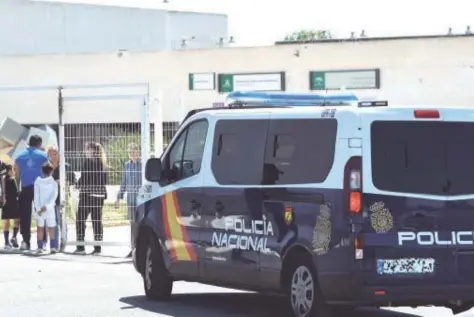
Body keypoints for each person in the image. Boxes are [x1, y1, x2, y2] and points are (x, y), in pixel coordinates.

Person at [15, 135, 48, 251]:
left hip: (26, 187)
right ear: (39, 144)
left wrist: (18, 188)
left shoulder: (19, 156)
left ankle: (25, 242)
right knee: (41, 214)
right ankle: (42, 241)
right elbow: (47, 172)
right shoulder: (43, 155)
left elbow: (17, 174)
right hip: (40, 187)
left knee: (25, 215)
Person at [74, 142, 108, 255]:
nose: (85, 151)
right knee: (97, 221)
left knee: (80, 220)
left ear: (92, 150)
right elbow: (104, 180)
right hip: (99, 196)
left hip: (87, 195)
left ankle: (80, 246)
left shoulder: (88, 162)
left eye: (87, 148)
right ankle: (98, 247)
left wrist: (77, 185)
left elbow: (85, 178)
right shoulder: (102, 163)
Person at [41, 146, 75, 252]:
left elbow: (72, 180)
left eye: (55, 153)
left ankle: (63, 243)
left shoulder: (65, 166)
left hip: (62, 198)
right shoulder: (45, 167)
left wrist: (64, 182)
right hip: (50, 199)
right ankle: (54, 245)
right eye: (51, 153)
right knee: (52, 223)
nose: (53, 155)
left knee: (62, 222)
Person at [114, 143, 142, 258]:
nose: (133, 154)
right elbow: (124, 182)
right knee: (133, 225)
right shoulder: (127, 165)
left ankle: (141, 249)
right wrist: (118, 198)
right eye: (131, 153)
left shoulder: (143, 165)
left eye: (135, 152)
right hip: (131, 201)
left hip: (141, 201)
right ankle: (133, 249)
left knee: (142, 225)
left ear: (138, 152)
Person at [33, 162, 58, 254]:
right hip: (49, 209)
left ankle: (40, 247)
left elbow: (36, 196)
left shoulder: (38, 181)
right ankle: (52, 247)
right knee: (51, 227)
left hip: (42, 209)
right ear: (51, 171)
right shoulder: (53, 182)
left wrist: (39, 208)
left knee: (41, 227)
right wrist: (46, 207)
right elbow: (54, 196)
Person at [1, 164, 20, 249]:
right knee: (17, 220)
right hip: (13, 203)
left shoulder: (3, 180)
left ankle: (6, 242)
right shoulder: (12, 180)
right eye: (12, 170)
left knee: (6, 223)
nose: (13, 172)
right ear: (8, 171)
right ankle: (14, 236)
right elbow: (16, 192)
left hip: (5, 203)